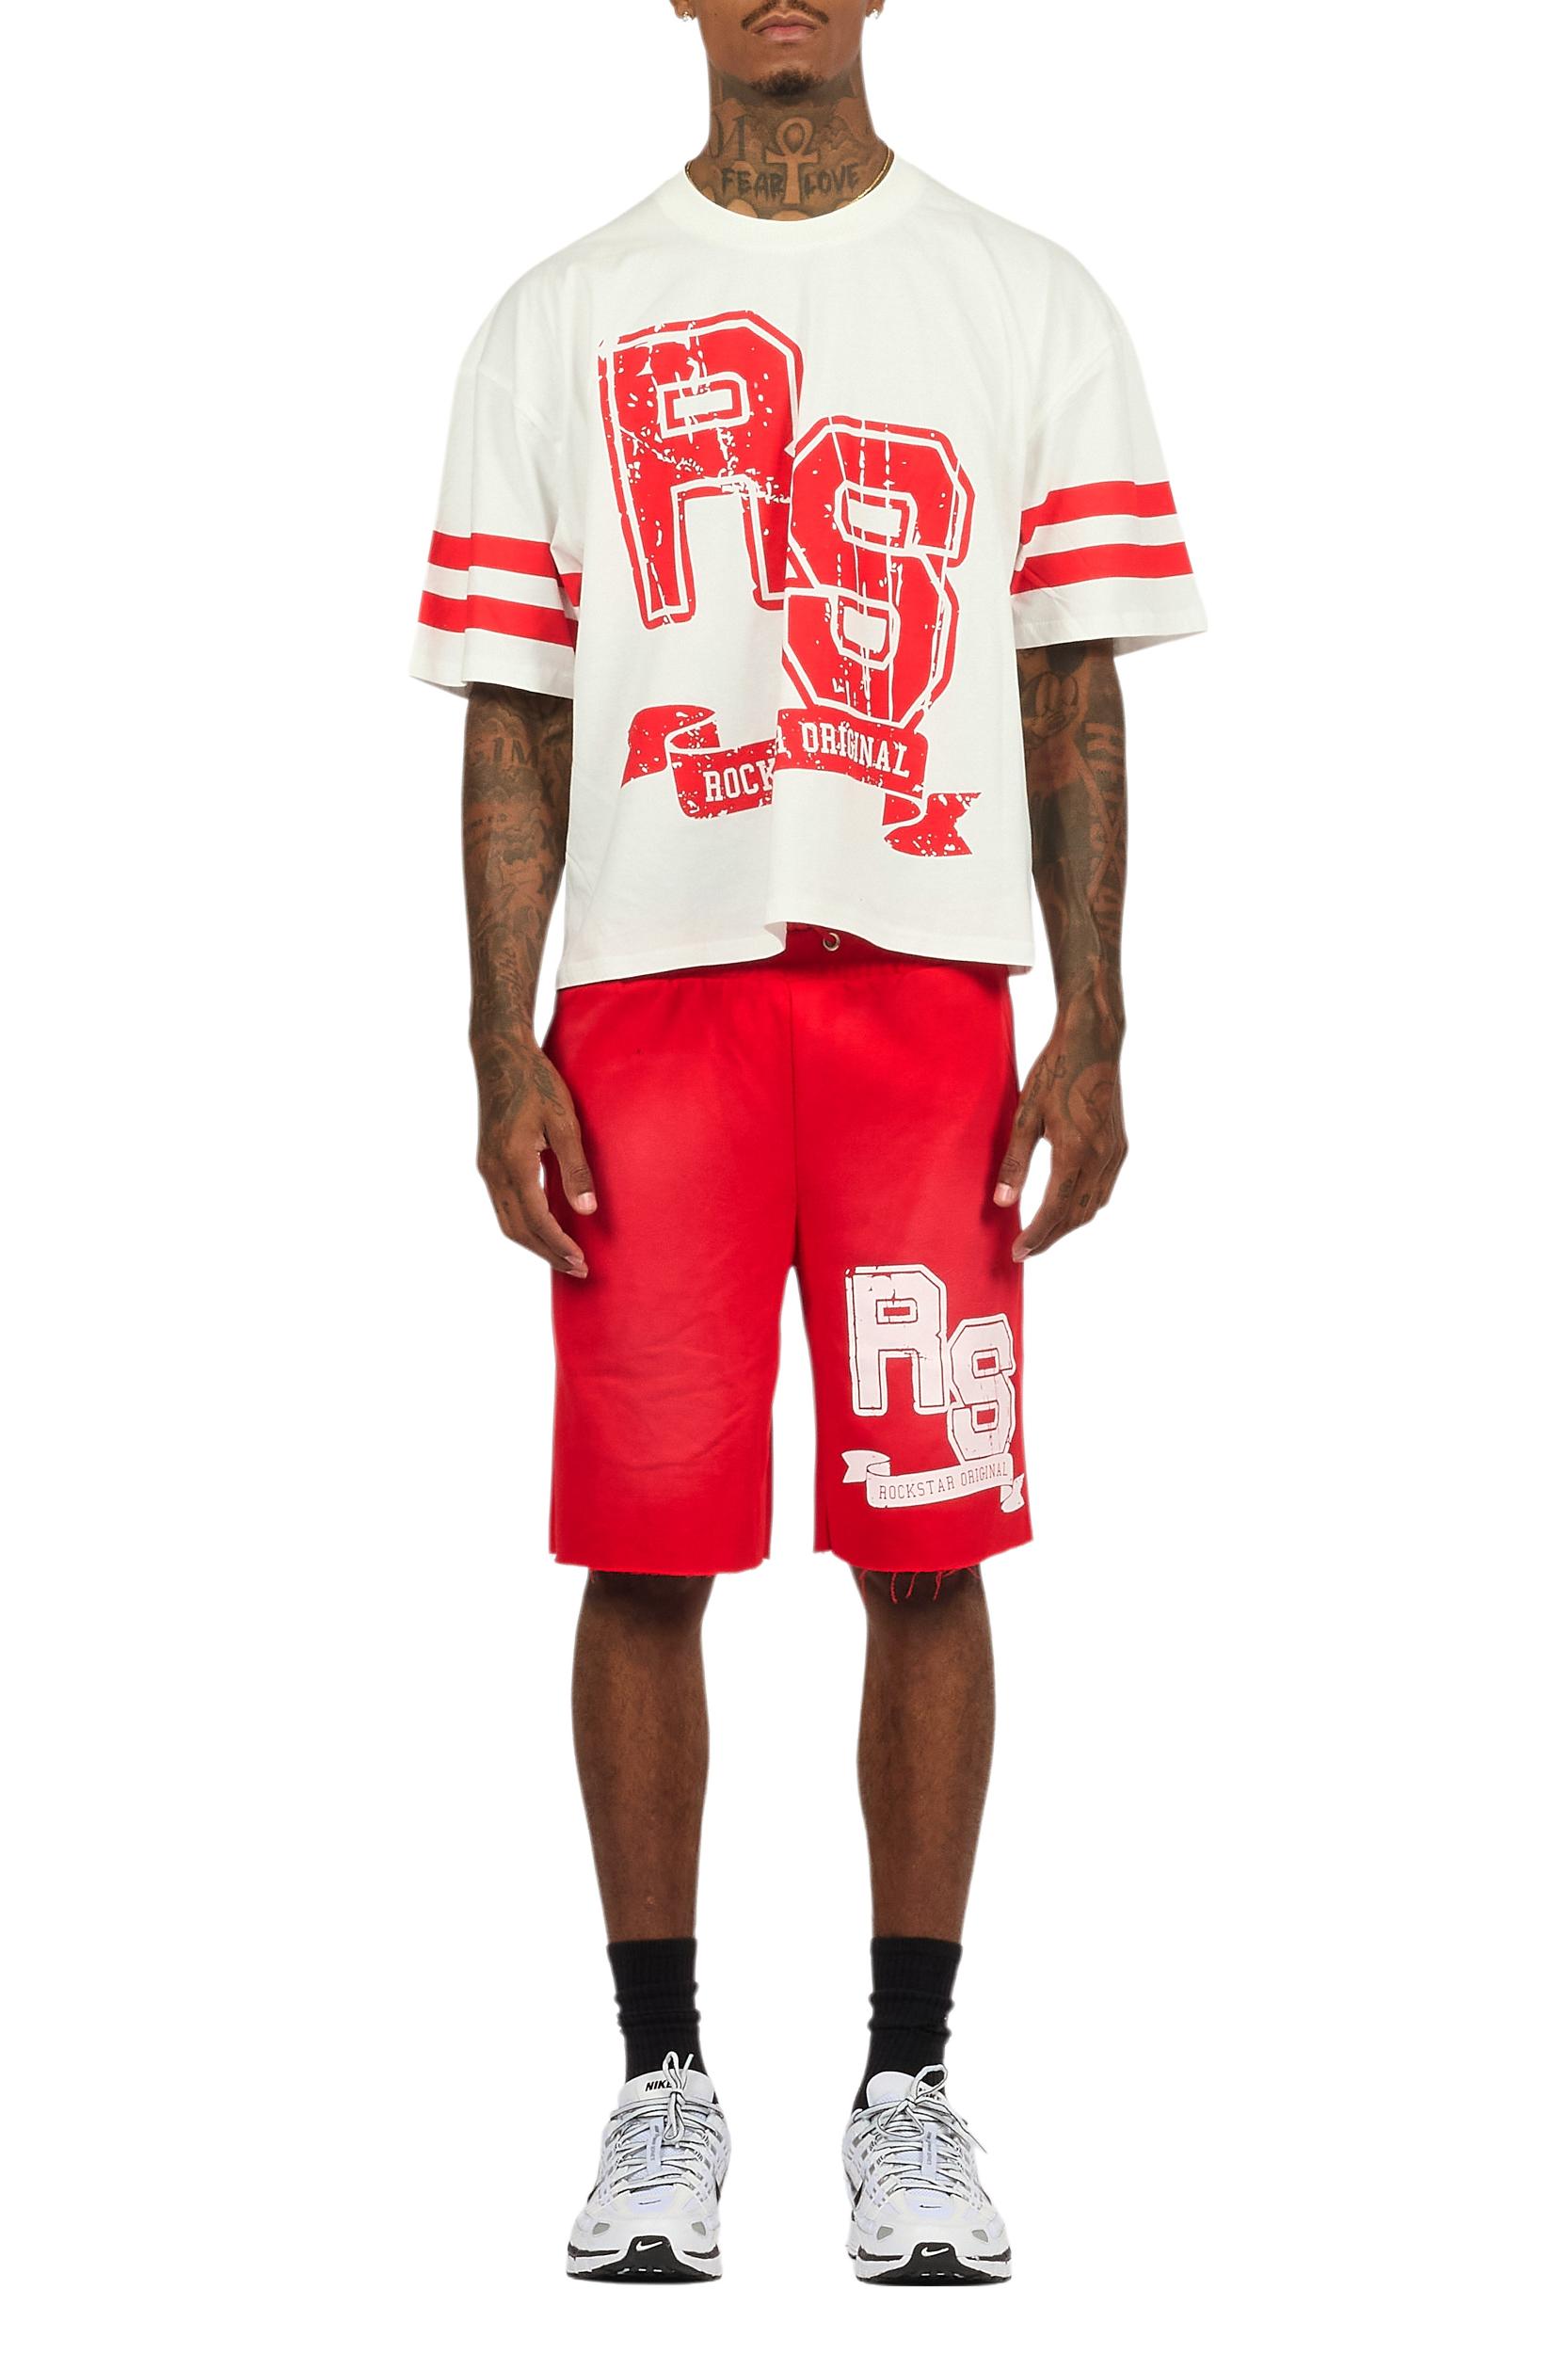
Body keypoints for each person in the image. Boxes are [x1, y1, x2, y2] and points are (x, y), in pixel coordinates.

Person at [412, 0, 1204, 2288]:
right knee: (640, 1543)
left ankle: (908, 2086)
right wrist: (496, 1037)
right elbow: (513, 704)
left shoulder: (1022, 294)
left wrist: (1092, 1012)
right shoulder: (556, 314)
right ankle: (658, 2078)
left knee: (926, 1544)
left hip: (922, 1000)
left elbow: (1065, 677)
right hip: (647, 1003)